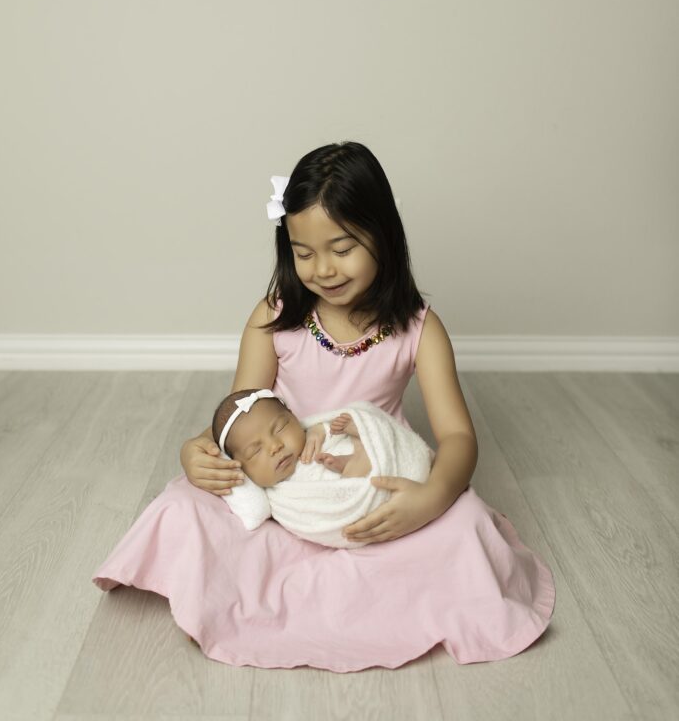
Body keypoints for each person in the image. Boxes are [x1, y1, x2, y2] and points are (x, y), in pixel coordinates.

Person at [93, 141, 556, 671]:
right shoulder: (275, 317)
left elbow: (458, 439)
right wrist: (196, 450)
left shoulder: (418, 328)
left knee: (468, 522)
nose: (324, 270)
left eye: (342, 248)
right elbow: (242, 412)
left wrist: (428, 499)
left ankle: (363, 572)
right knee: (181, 505)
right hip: (285, 484)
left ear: (383, 235)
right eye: (304, 252)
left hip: (372, 489)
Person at [212, 387, 374, 484]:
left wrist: (322, 429)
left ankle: (360, 457)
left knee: (364, 423)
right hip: (343, 499)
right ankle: (353, 470)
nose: (275, 446)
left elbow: (360, 415)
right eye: (255, 451)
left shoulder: (314, 439)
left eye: (279, 428)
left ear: (293, 417)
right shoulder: (268, 492)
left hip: (374, 463)